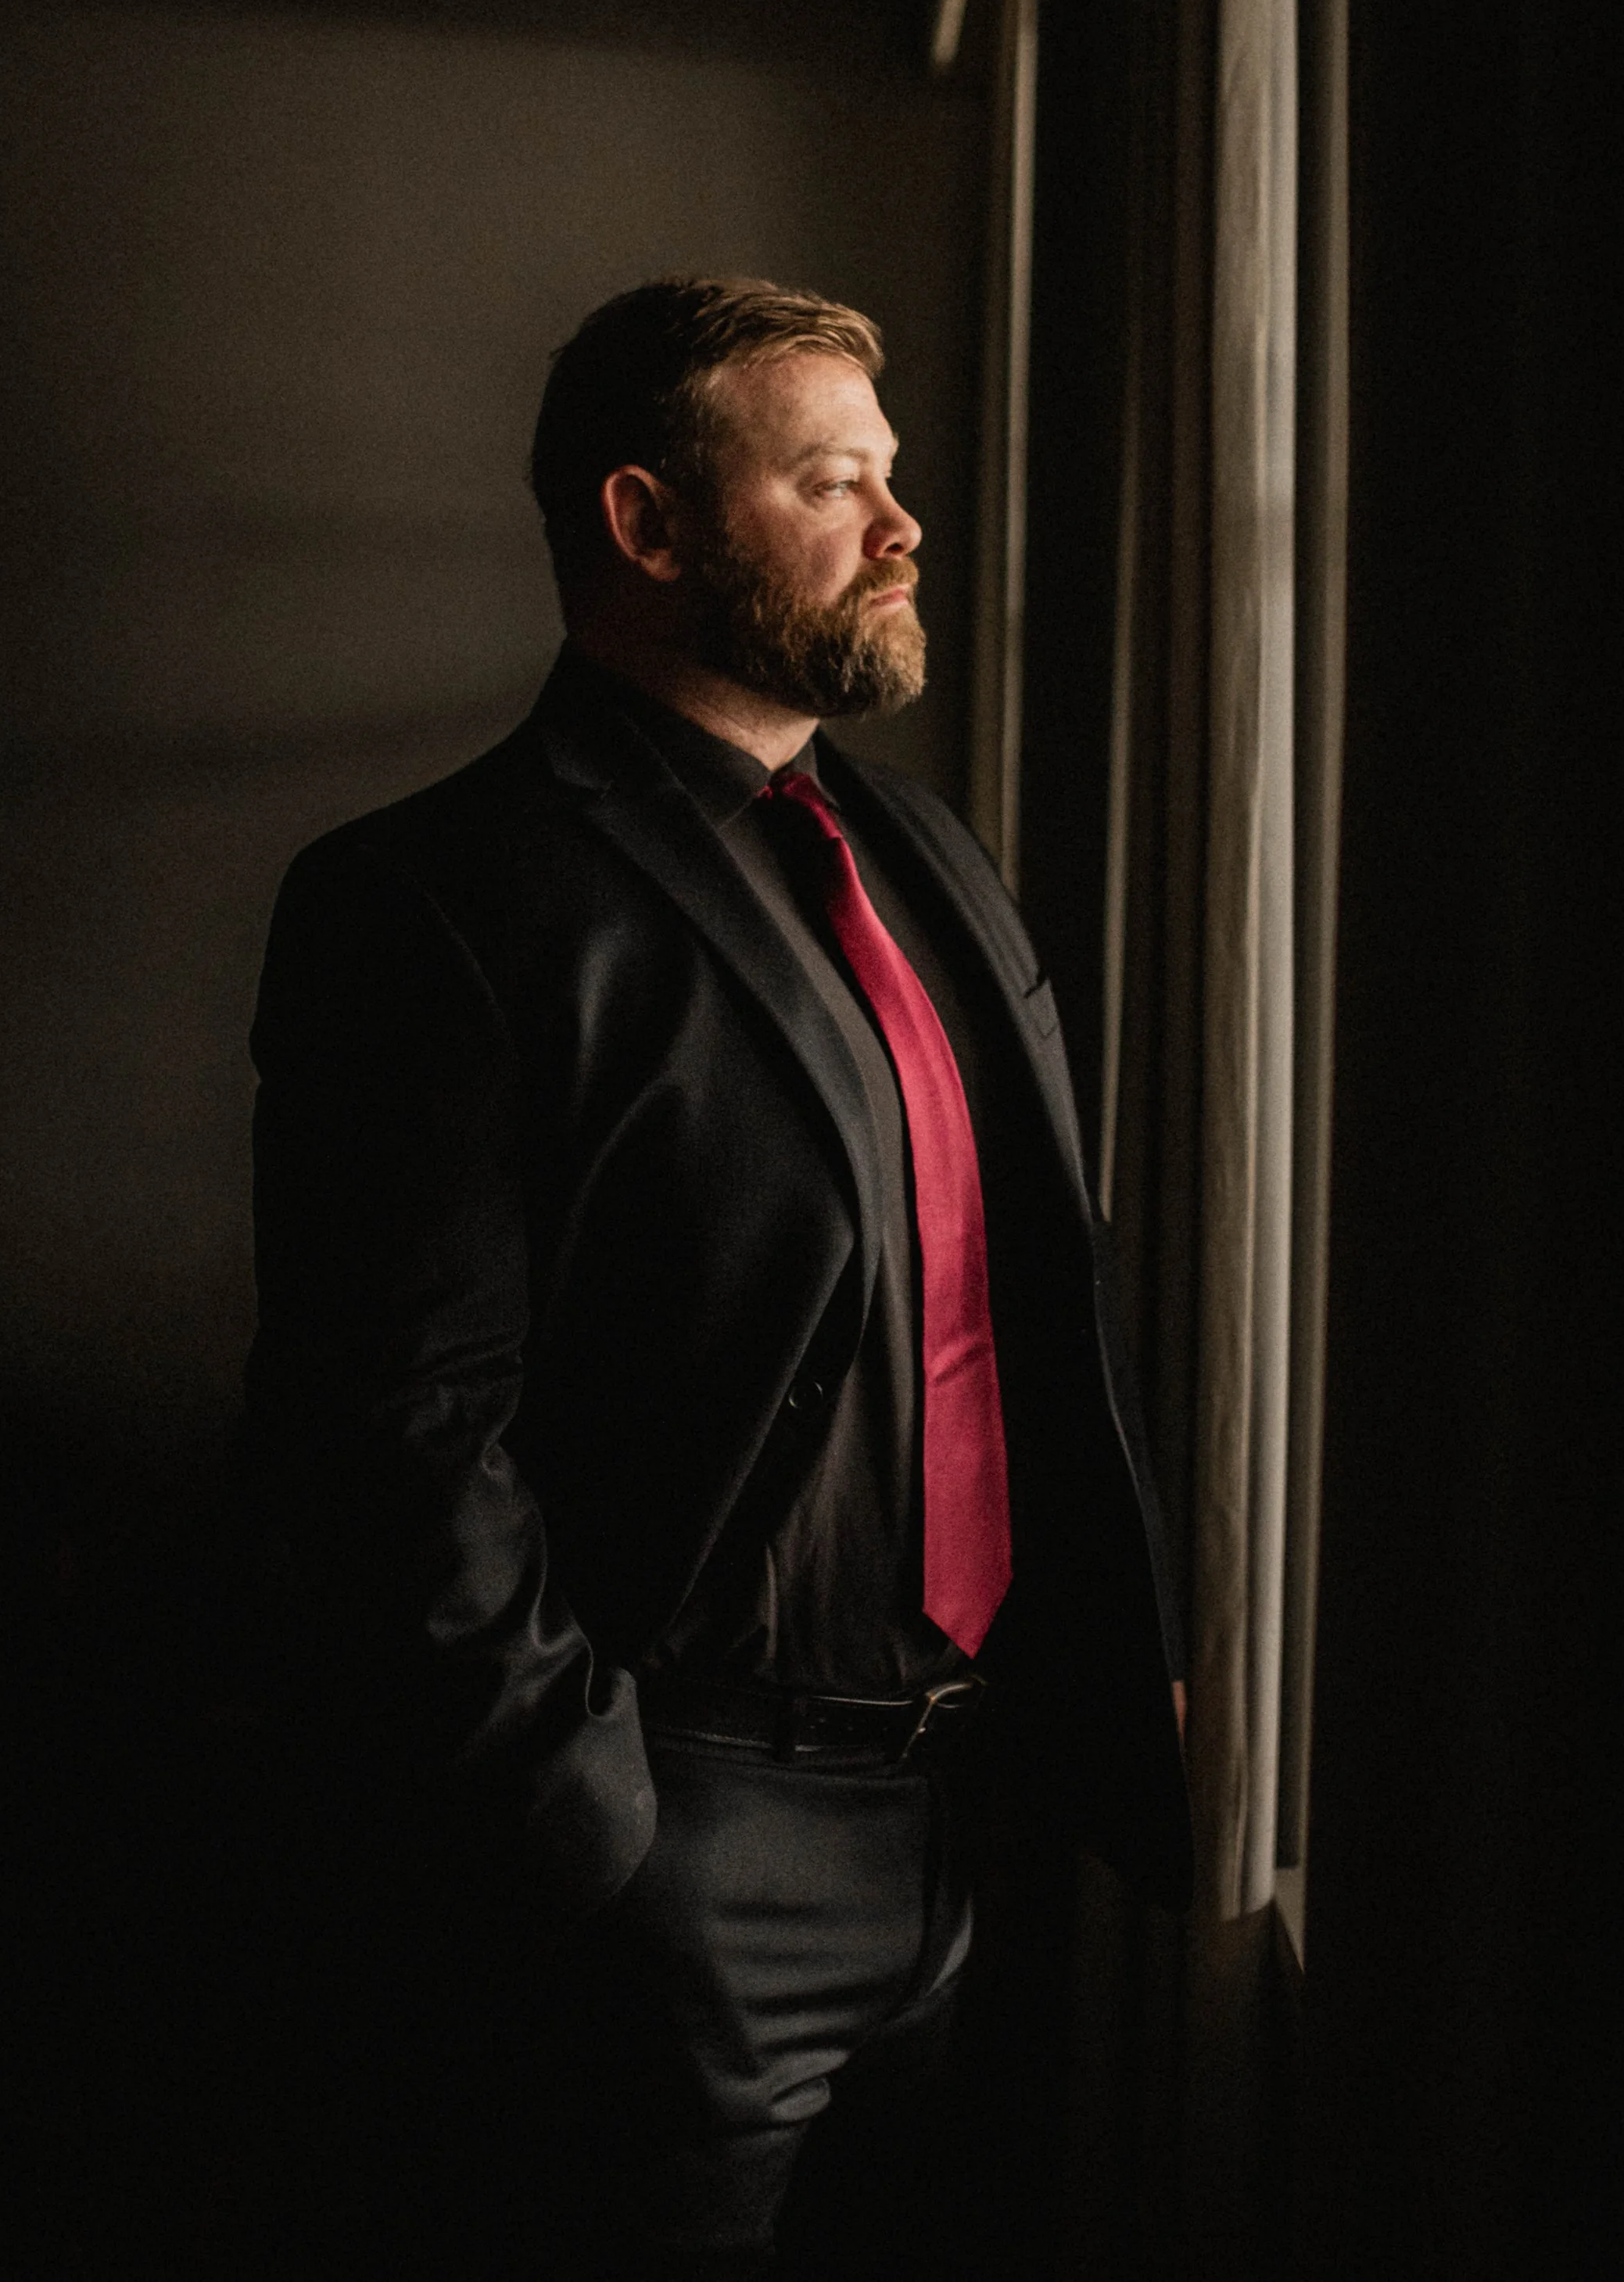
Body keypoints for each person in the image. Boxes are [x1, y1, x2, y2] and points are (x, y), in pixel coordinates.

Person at [238, 277, 1189, 2279]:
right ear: (650, 526)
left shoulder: (922, 855)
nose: (901, 524)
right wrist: (598, 1834)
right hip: (679, 1836)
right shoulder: (431, 899)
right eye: (831, 478)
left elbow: (1018, 1305)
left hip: (965, 1817)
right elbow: (403, 1434)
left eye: (893, 477)